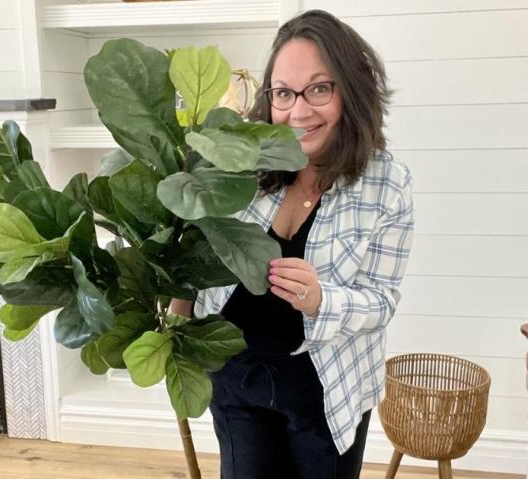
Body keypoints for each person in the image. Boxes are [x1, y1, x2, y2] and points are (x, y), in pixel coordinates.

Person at [171, 9, 415, 479]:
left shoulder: (387, 184)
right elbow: (192, 254)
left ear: (351, 90)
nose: (298, 112)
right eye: (283, 93)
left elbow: (382, 301)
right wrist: (173, 326)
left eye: (319, 89)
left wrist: (322, 299)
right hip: (235, 380)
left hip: (328, 386)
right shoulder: (235, 162)